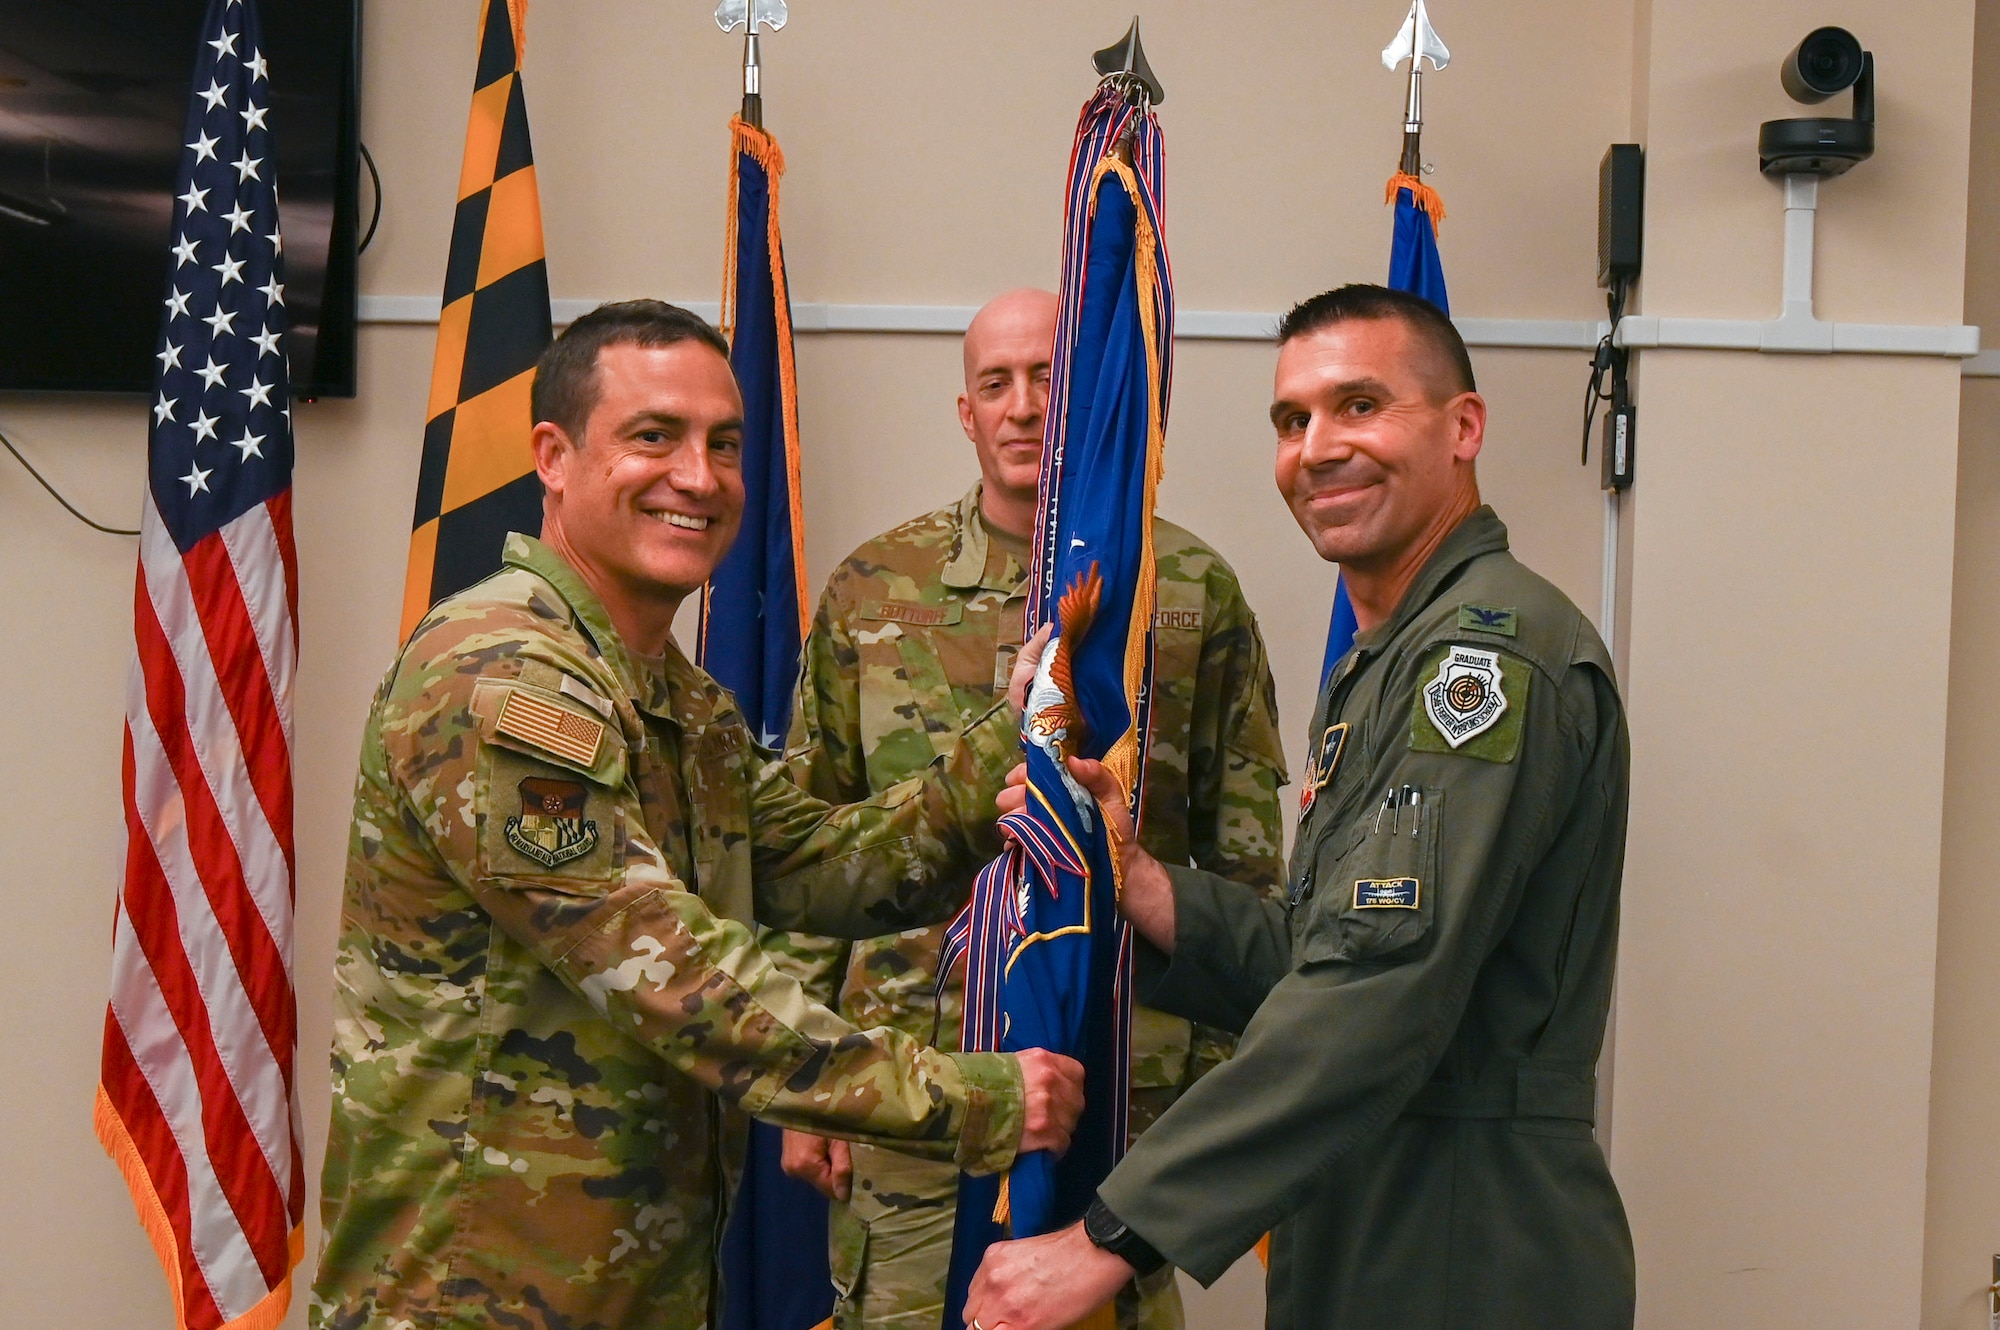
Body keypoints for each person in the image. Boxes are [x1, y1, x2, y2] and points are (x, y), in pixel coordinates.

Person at [308, 300, 1085, 1330]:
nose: (699, 476)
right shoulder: (500, 672)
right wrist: (965, 1096)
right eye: (651, 437)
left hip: (632, 1285)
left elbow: (832, 865)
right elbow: (669, 972)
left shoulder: (668, 695)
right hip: (474, 1294)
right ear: (552, 454)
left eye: (723, 443)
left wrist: (1017, 727)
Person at [963, 284, 1635, 1330]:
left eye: (1359, 405)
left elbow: (1377, 991)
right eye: (1292, 420)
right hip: (1372, 1205)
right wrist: (1135, 879)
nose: (1317, 448)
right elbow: (1322, 956)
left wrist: (1108, 1235)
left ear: (1463, 427)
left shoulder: (1483, 658)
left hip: (1461, 1235)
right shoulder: (1387, 659)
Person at [769, 288, 1290, 1330]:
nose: (1020, 407)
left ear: (1087, 396)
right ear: (964, 411)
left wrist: (1219, 1100)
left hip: (1123, 1092)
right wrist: (802, 1081)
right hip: (916, 1084)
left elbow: (1241, 868)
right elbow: (807, 846)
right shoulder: (874, 589)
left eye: (1046, 378)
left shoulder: (1185, 591)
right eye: (993, 384)